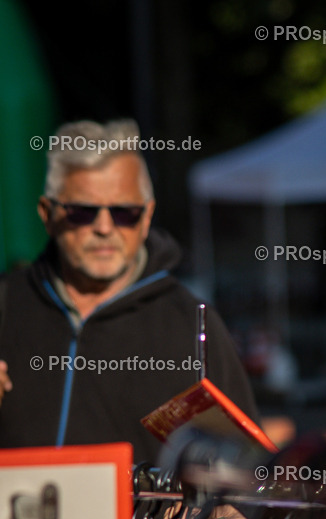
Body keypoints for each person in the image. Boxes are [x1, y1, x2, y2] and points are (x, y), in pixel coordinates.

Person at [0, 119, 260, 463]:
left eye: (125, 212)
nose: (104, 227)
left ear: (147, 216)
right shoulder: (6, 303)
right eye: (82, 211)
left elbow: (243, 468)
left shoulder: (192, 322)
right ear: (47, 214)